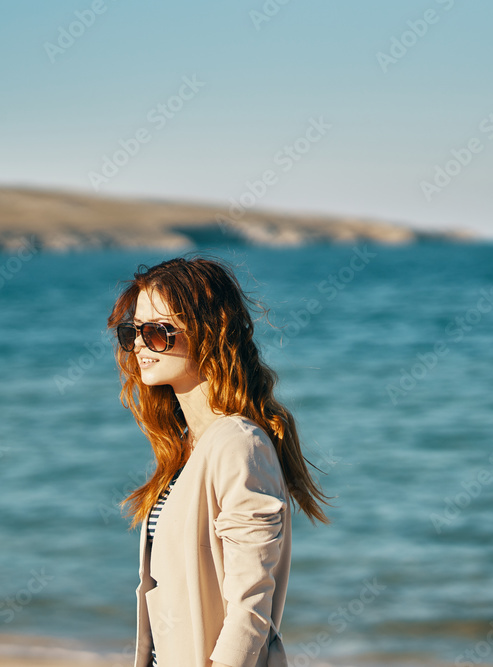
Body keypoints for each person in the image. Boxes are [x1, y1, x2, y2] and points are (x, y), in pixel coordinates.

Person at [107, 255, 332, 667]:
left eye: (157, 332)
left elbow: (249, 609)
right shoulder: (186, 447)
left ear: (209, 333)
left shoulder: (238, 444)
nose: (140, 344)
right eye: (132, 332)